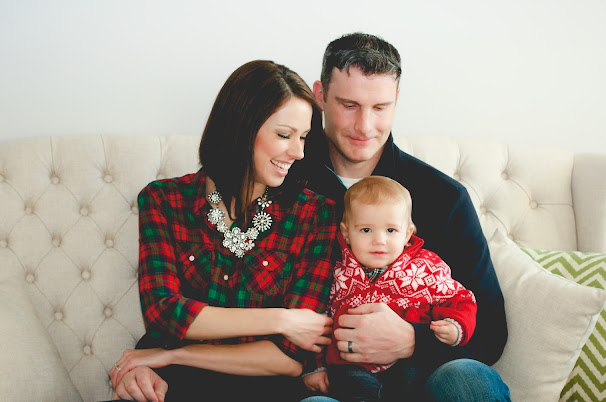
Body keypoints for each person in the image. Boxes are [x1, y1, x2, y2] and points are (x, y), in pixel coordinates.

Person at [109, 60, 338, 402]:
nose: (298, 152)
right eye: (284, 135)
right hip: (174, 386)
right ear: (241, 128)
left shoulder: (316, 215)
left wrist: (173, 355)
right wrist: (282, 320)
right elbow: (164, 312)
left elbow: (290, 359)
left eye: (303, 137)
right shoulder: (164, 200)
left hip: (264, 389)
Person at [299, 33, 510, 401]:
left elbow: (491, 331)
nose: (365, 126)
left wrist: (413, 340)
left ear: (397, 99)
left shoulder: (443, 197)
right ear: (320, 95)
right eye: (349, 105)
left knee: (467, 377)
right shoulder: (284, 181)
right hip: (337, 385)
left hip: (426, 380)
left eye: (380, 107)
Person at [302, 176, 477, 401]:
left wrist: (456, 325)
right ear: (346, 233)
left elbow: (460, 298)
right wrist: (314, 366)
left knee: (419, 379)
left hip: (411, 365)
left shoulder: (424, 268)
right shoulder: (336, 274)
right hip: (352, 365)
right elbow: (315, 321)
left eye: (391, 230)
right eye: (366, 230)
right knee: (351, 387)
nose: (379, 240)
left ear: (407, 234)